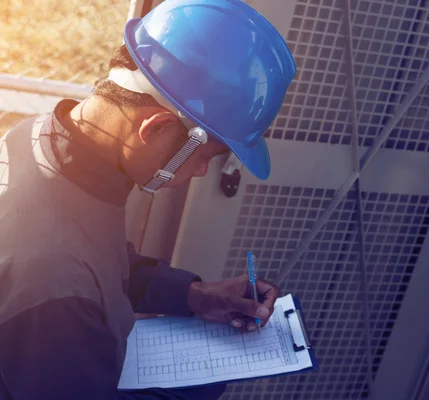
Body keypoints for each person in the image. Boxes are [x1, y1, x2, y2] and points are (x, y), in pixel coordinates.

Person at [0, 0, 296, 399]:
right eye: (205, 159)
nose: (200, 174)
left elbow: (100, 262)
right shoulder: (56, 285)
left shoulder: (42, 136)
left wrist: (195, 296)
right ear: (157, 129)